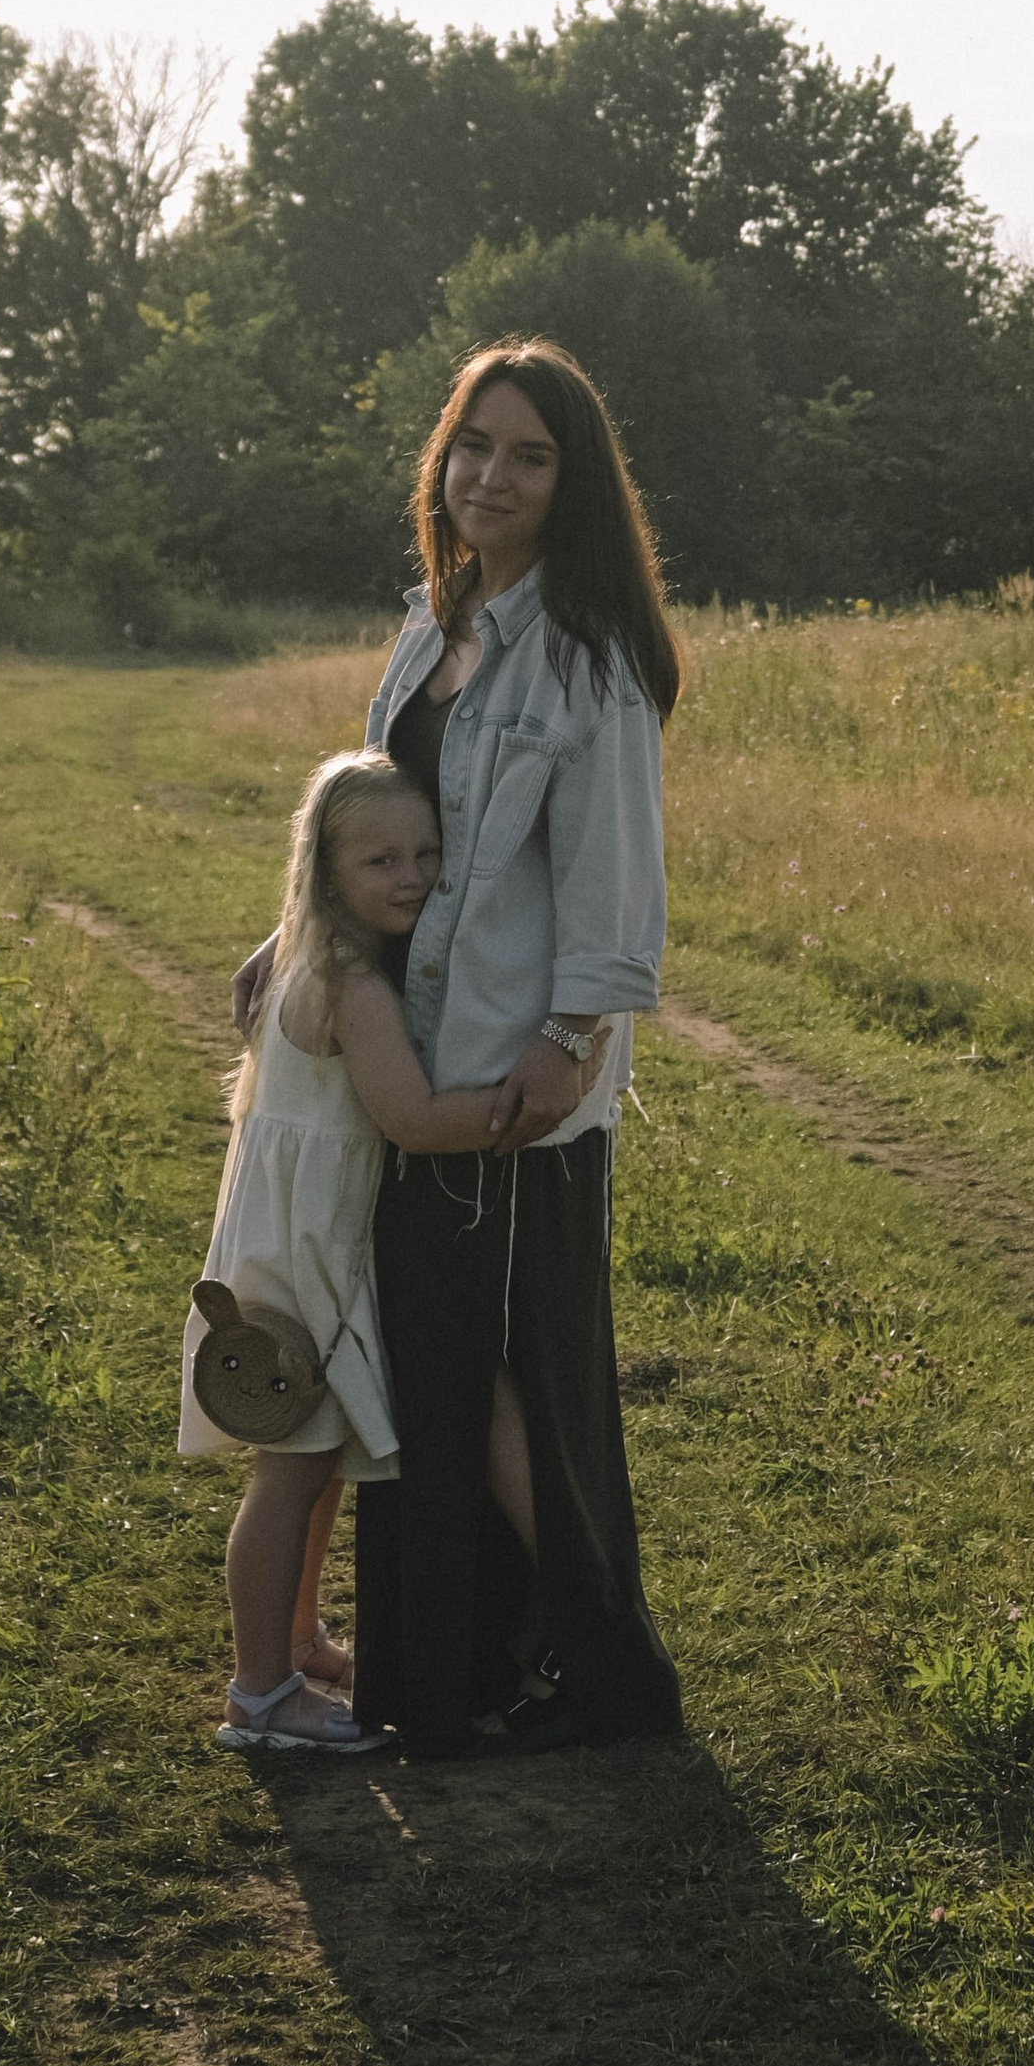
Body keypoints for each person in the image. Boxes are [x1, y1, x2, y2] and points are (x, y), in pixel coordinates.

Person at [351, 336, 685, 1759]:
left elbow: (615, 881)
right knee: (426, 1363)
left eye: (530, 454)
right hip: (413, 1063)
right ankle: (465, 1665)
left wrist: (567, 1039)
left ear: (574, 483)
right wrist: (302, 942)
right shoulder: (433, 627)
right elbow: (379, 824)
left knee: (508, 1375)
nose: (491, 475)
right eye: (474, 445)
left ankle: (610, 1671)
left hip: (508, 1072)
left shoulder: (586, 654)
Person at [185, 748, 561, 1754]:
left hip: (281, 1236)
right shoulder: (353, 984)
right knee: (290, 1469)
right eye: (379, 860)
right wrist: (530, 1100)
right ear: (324, 874)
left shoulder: (303, 956)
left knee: (315, 1462)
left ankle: (300, 1640)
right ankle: (258, 1695)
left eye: (425, 853)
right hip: (305, 1254)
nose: (408, 876)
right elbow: (412, 1118)